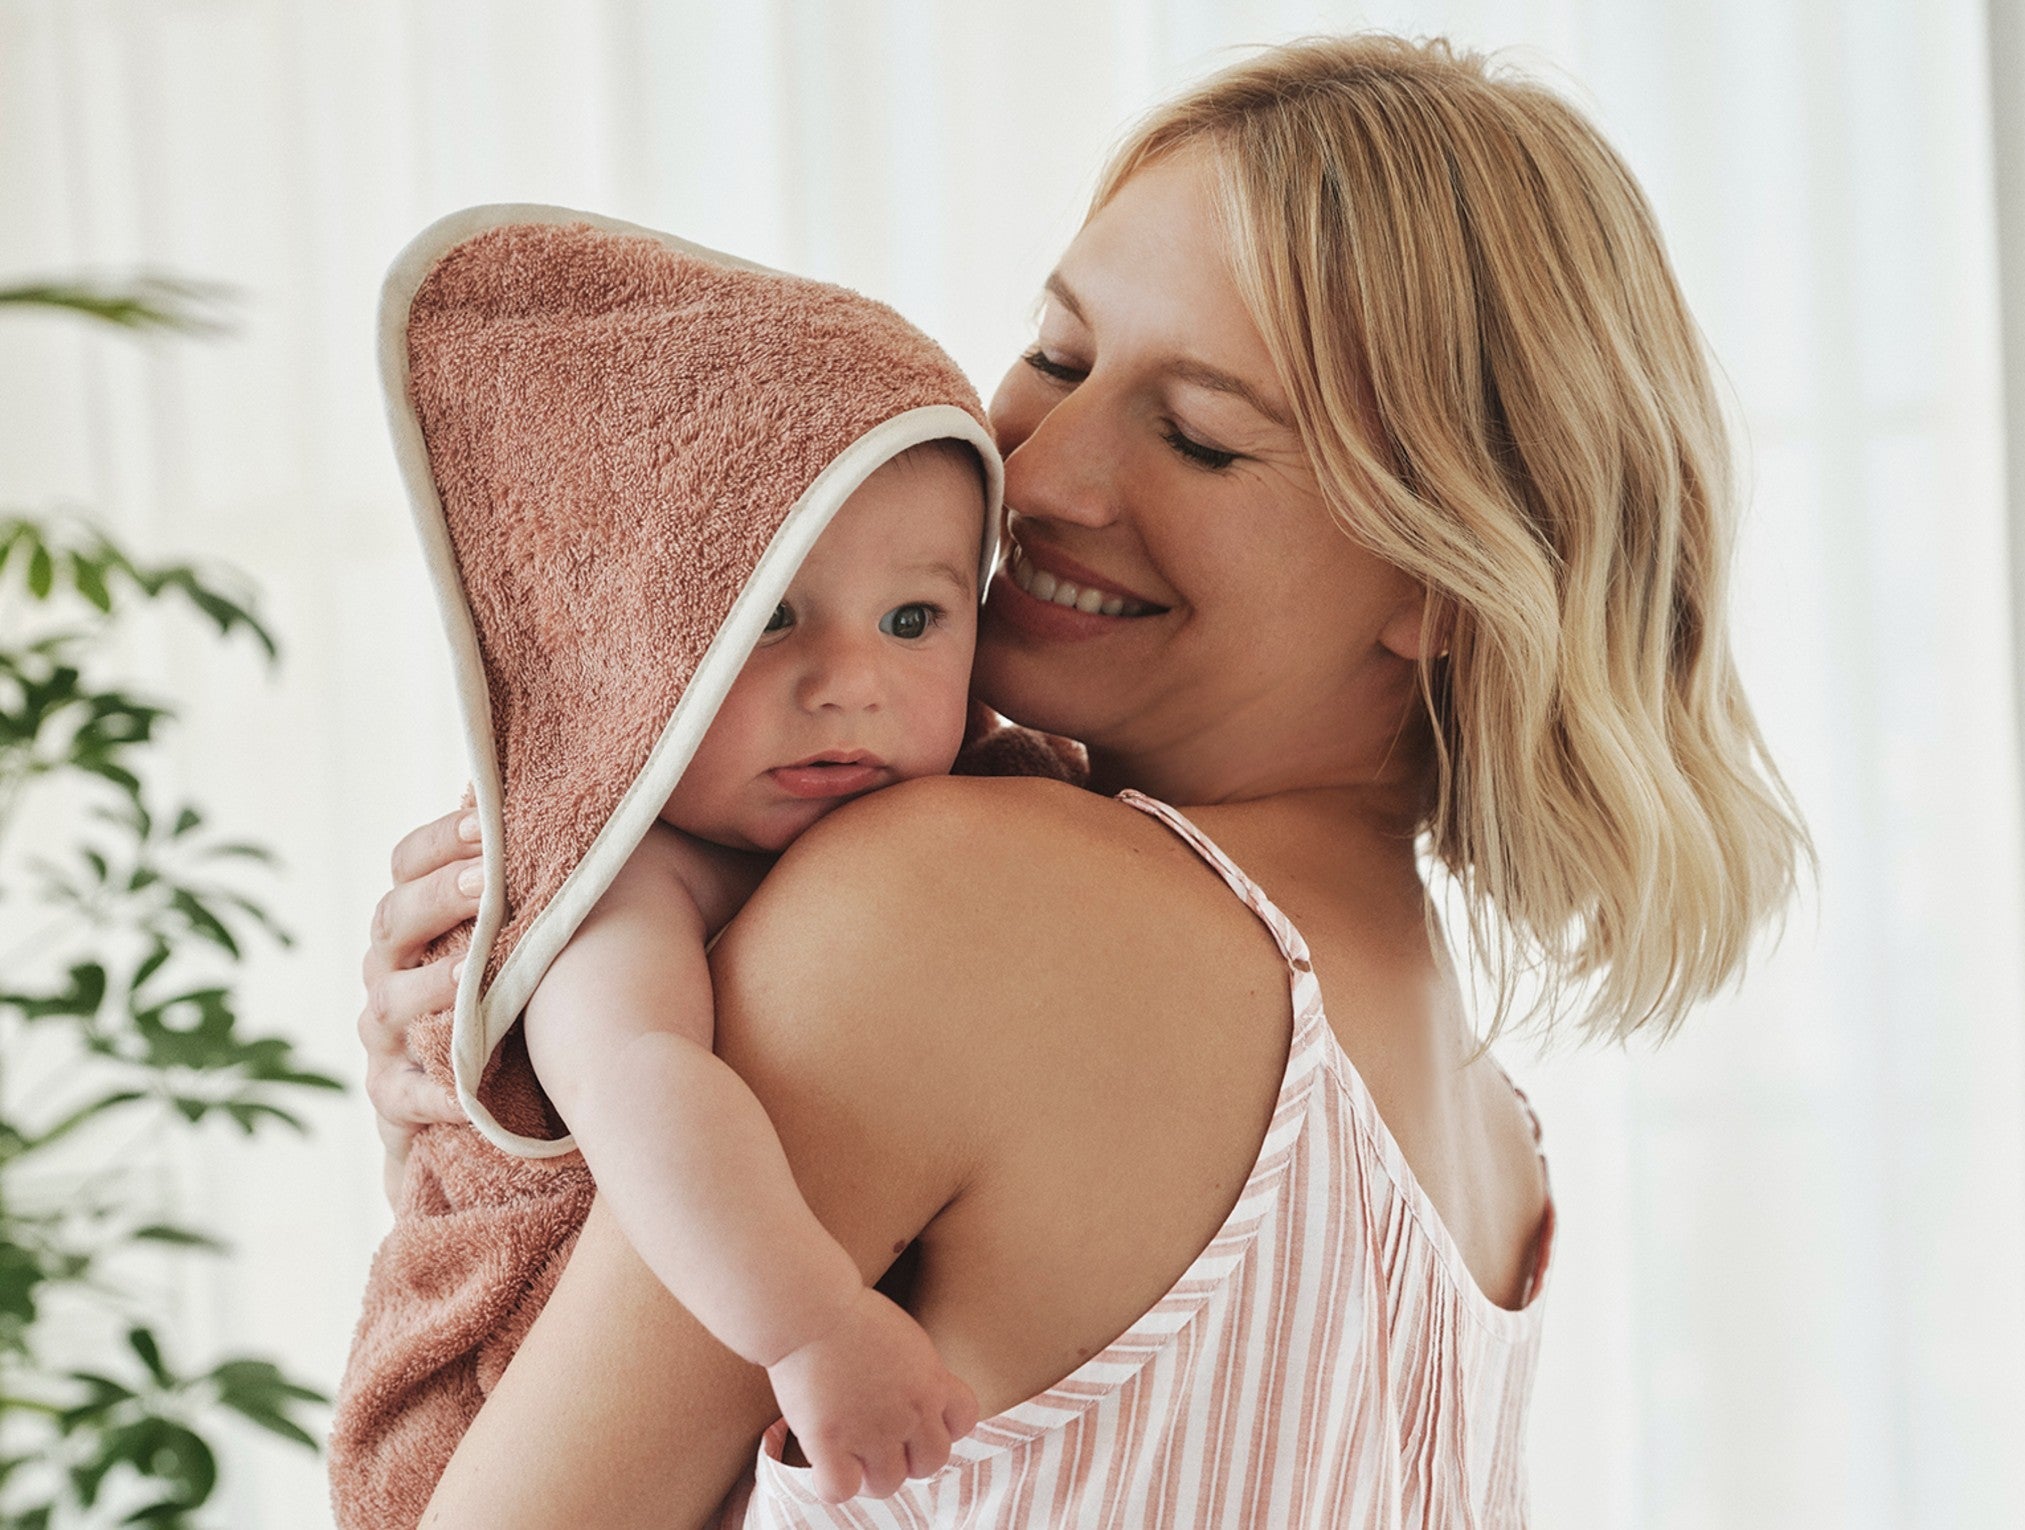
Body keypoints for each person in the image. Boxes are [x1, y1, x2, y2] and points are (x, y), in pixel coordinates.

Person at [357, 34, 1808, 1529]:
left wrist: (479, 1160)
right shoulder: (1475, 1114)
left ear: (1449, 580)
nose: (1040, 476)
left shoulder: (961, 903)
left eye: (1199, 438)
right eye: (1054, 356)